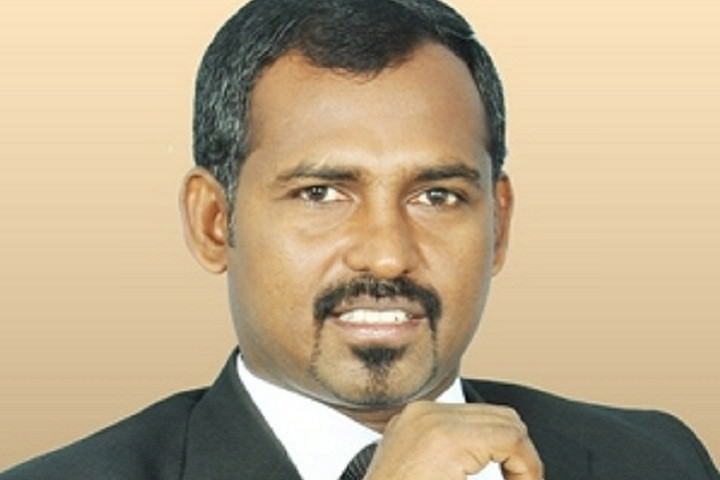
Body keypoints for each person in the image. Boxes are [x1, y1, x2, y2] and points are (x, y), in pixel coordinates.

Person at [1, 0, 717, 479]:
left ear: (498, 223)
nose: (387, 253)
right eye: (321, 194)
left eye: (437, 196)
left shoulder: (655, 460)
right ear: (214, 222)